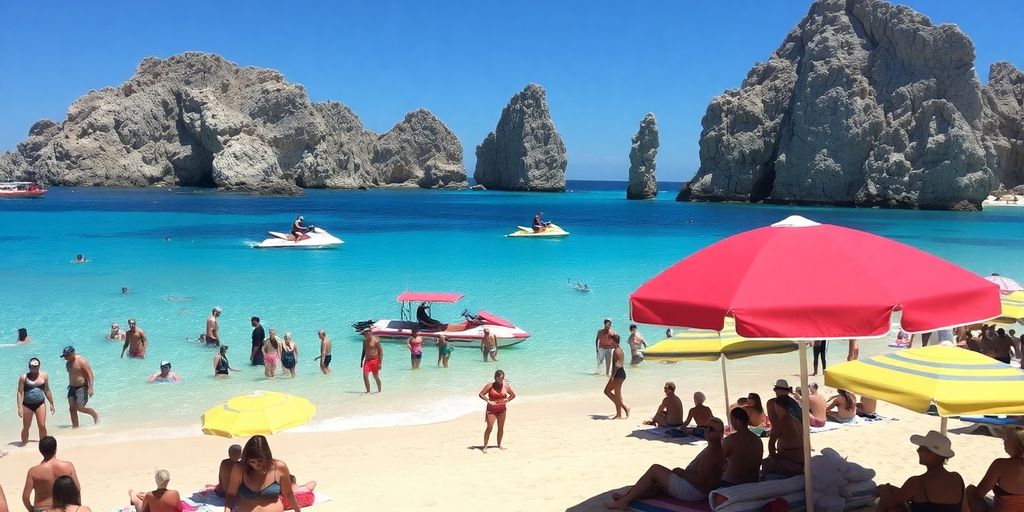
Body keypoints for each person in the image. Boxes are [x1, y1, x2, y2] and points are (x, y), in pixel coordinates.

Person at [603, 417, 726, 509]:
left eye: (712, 429)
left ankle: (624, 502)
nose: (707, 431)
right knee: (658, 484)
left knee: (655, 469)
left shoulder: (712, 453)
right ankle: (630, 496)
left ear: (720, 433)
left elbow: (699, 480)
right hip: (698, 491)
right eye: (706, 428)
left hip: (693, 492)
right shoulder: (716, 448)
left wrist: (681, 473)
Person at [875, 431, 964, 512]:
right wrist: (895, 490)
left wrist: (884, 492)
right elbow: (965, 509)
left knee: (886, 502)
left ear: (931, 455)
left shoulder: (917, 482)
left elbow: (888, 502)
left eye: (922, 448)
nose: (918, 450)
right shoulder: (957, 478)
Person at [224, 435, 301, 512]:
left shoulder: (279, 467)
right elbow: (231, 494)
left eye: (260, 461)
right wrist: (227, 510)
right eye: (252, 462)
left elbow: (288, 493)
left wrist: (297, 510)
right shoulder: (240, 469)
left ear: (267, 456)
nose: (256, 465)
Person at [966, 426, 1024, 511]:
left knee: (970, 491)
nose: (1003, 442)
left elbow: (979, 493)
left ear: (1014, 443)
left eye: (1005, 439)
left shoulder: (1001, 465)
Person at [22, 436, 80, 512]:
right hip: (64, 508)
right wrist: (77, 507)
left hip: (42, 509)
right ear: (55, 449)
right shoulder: (68, 466)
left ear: (40, 451)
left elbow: (25, 497)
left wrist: (31, 510)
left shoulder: (33, 471)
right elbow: (77, 489)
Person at [761, 395, 804, 479]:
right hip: (802, 462)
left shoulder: (781, 423)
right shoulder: (796, 421)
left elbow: (771, 446)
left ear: (778, 407)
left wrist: (775, 457)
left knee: (765, 463)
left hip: (791, 464)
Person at [17, 357, 55, 445]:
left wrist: (52, 403)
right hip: (27, 405)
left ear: (39, 366)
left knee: (42, 425)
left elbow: (47, 390)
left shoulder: (44, 376)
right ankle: (23, 445)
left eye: (35, 366)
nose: (33, 368)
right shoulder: (23, 377)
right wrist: (19, 407)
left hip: (40, 403)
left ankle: (44, 445)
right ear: (29, 366)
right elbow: (19, 392)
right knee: (26, 427)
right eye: (32, 366)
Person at [722, 408, 763, 486]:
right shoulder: (757, 440)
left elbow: (718, 461)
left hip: (732, 483)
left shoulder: (731, 440)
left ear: (735, 420)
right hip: (753, 482)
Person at [479, 369, 515, 453]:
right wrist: (488, 400)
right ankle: (485, 447)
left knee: (501, 427)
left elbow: (513, 394)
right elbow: (481, 394)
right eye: (499, 379)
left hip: (502, 410)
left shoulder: (506, 386)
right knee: (489, 427)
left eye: (502, 378)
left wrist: (508, 399)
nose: (501, 380)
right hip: (491, 410)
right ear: (495, 378)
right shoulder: (490, 386)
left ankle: (499, 445)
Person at [62, 346, 98, 427]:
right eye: (64, 356)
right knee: (72, 408)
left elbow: (90, 373)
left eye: (67, 356)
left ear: (72, 353)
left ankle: (94, 415)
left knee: (80, 407)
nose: (65, 358)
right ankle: (75, 427)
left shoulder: (81, 361)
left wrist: (90, 387)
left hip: (81, 387)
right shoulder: (68, 363)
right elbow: (73, 375)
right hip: (71, 388)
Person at [603, 334, 630, 419]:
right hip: (621, 373)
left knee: (616, 394)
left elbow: (617, 364)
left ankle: (619, 414)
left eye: (611, 340)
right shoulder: (620, 350)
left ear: (614, 341)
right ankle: (625, 408)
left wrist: (613, 376)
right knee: (607, 391)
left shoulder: (616, 351)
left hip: (618, 373)